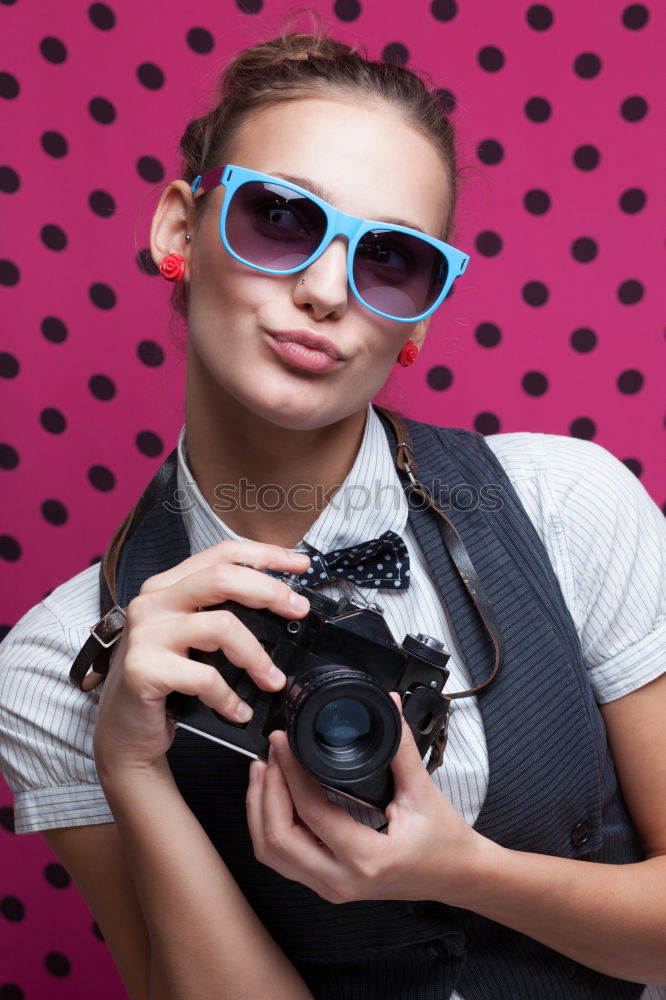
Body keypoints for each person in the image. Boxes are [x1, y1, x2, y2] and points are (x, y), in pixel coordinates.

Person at [1, 22, 665, 1000]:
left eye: (391, 259)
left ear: (420, 317)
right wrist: (134, 768)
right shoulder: (58, 663)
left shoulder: (566, 507)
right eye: (279, 217)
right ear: (181, 230)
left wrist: (461, 869)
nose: (323, 292)